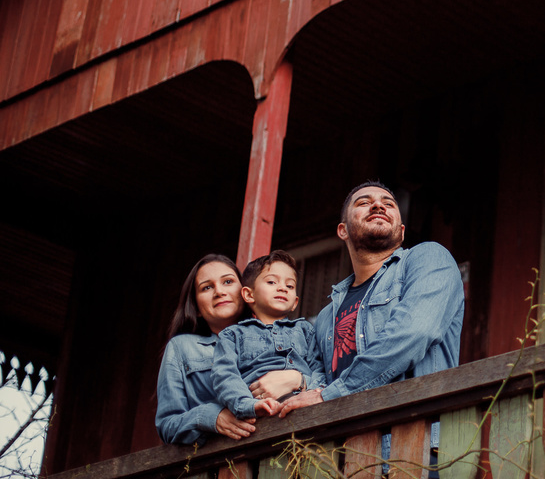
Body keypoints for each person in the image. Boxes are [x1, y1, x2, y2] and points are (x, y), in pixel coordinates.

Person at [275, 182, 464, 414]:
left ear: (402, 231)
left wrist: (334, 393)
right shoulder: (326, 317)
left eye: (388, 204)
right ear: (342, 230)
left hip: (414, 438)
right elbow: (318, 381)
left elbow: (414, 331)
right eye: (364, 203)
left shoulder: (428, 258)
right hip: (343, 445)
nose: (378, 206)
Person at [155, 254, 304, 444]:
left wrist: (298, 379)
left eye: (227, 281)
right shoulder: (182, 348)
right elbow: (167, 425)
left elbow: (321, 381)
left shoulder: (286, 334)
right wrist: (212, 417)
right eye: (206, 287)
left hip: (288, 446)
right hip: (224, 464)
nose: (219, 291)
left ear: (246, 292)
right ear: (197, 308)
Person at [211, 250, 324, 420]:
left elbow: (319, 369)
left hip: (304, 409)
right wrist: (248, 405)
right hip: (259, 413)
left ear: (295, 302)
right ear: (249, 294)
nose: (282, 288)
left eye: (290, 286)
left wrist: (313, 390)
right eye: (272, 282)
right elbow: (225, 376)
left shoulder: (305, 330)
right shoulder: (233, 335)